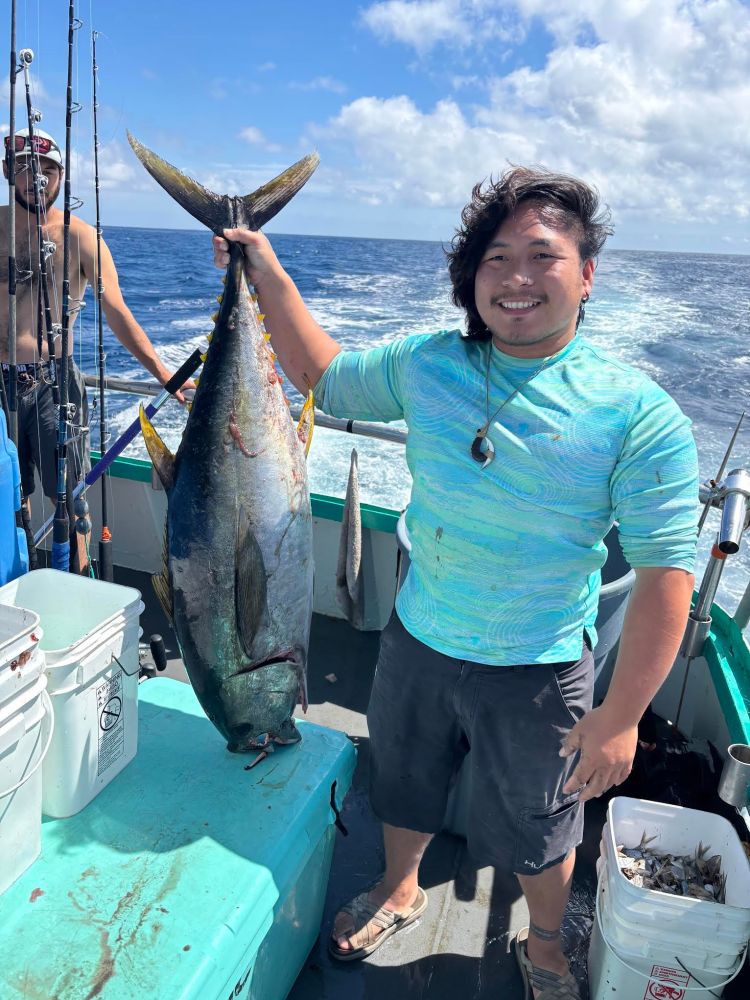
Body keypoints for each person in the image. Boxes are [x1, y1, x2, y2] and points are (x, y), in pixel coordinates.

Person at [213, 167, 698, 1000]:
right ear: (470, 278)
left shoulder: (639, 411)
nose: (515, 278)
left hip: (541, 666)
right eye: (495, 257)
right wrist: (264, 267)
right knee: (401, 780)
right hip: (419, 636)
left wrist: (619, 719)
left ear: (586, 275)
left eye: (541, 256)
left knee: (544, 825)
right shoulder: (426, 363)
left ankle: (546, 944)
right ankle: (399, 887)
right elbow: (323, 376)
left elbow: (664, 576)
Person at [0, 128, 191, 569]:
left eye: (49, 169)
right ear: (8, 171)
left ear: (62, 176)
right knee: (11, 492)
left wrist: (162, 373)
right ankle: (18, 579)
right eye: (28, 168)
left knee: (69, 496)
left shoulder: (82, 237)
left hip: (55, 381)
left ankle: (77, 585)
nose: (39, 178)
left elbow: (117, 310)